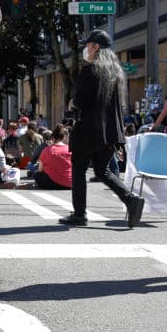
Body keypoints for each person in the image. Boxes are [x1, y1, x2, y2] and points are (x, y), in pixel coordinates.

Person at [58, 29, 144, 229]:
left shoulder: (90, 70)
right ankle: (131, 199)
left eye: (88, 46)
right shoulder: (115, 73)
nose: (86, 49)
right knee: (103, 170)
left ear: (95, 47)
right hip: (109, 132)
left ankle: (79, 214)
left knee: (79, 169)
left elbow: (81, 100)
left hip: (88, 129)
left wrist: (72, 103)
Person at [32, 124, 72, 190]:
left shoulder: (47, 149)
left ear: (52, 138)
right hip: (69, 183)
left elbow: (40, 169)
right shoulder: (69, 149)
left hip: (52, 184)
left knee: (37, 174)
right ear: (63, 137)